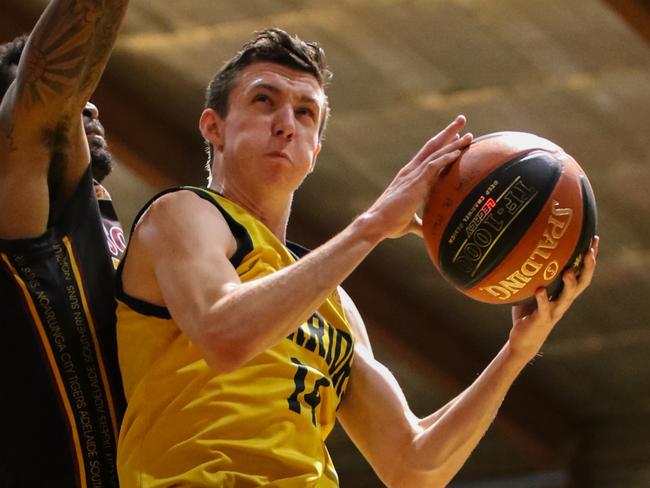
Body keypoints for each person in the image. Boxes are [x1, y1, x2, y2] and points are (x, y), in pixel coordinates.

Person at [116, 28, 598, 487]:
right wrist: (371, 225)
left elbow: (413, 466)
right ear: (213, 127)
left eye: (305, 113)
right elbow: (225, 338)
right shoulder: (184, 214)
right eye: (265, 101)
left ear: (315, 150)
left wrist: (517, 352)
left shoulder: (336, 305)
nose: (286, 123)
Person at [0, 0, 129, 486]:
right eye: (74, 98)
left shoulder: (101, 217)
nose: (89, 104)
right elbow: (44, 88)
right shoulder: (17, 201)